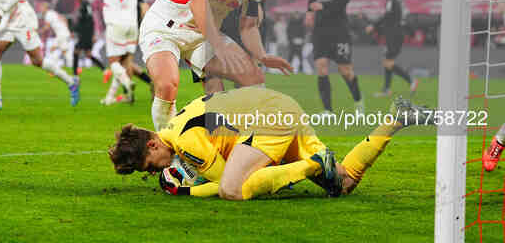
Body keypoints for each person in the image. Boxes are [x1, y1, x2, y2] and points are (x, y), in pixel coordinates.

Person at [108, 87, 435, 200]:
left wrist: (187, 189)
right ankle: (398, 118)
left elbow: (225, 181)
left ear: (152, 145)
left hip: (269, 118)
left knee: (233, 190)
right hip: (276, 110)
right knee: (344, 182)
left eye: (150, 166)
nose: (155, 172)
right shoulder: (177, 128)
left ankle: (312, 166)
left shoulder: (183, 140)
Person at [141, 0, 294, 131]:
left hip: (201, 35)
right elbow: (198, 1)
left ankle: (242, 145)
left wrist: (262, 56)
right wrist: (219, 45)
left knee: (254, 77)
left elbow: (248, 25)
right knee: (167, 85)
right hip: (165, 26)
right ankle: (167, 156)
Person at [83, 0, 154, 105]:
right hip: (132, 25)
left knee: (114, 63)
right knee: (125, 62)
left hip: (115, 24)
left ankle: (128, 84)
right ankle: (112, 97)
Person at [306, 0, 364, 115]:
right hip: (320, 31)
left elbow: (345, 0)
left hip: (339, 30)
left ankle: (358, 101)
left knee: (345, 71)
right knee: (321, 67)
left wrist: (323, 6)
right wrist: (309, 13)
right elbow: (311, 1)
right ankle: (328, 111)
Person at [366, 0, 419, 97]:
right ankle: (387, 89)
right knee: (387, 62)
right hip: (394, 35)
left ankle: (411, 80)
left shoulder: (392, 0)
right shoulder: (396, 0)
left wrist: (373, 26)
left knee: (388, 63)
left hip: (394, 35)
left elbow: (387, 17)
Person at [72, 0, 106, 76]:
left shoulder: (85, 4)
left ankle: (74, 74)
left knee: (76, 51)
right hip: (84, 33)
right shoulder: (83, 4)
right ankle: (104, 70)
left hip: (85, 34)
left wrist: (91, 34)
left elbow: (89, 20)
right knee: (88, 54)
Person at [40, 2, 72, 68]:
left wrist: (39, 31)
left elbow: (47, 26)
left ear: (45, 8)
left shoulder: (48, 14)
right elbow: (64, 19)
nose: (40, 9)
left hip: (61, 34)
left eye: (41, 8)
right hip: (64, 33)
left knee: (53, 49)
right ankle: (72, 66)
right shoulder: (53, 12)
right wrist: (66, 28)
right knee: (65, 51)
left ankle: (53, 67)